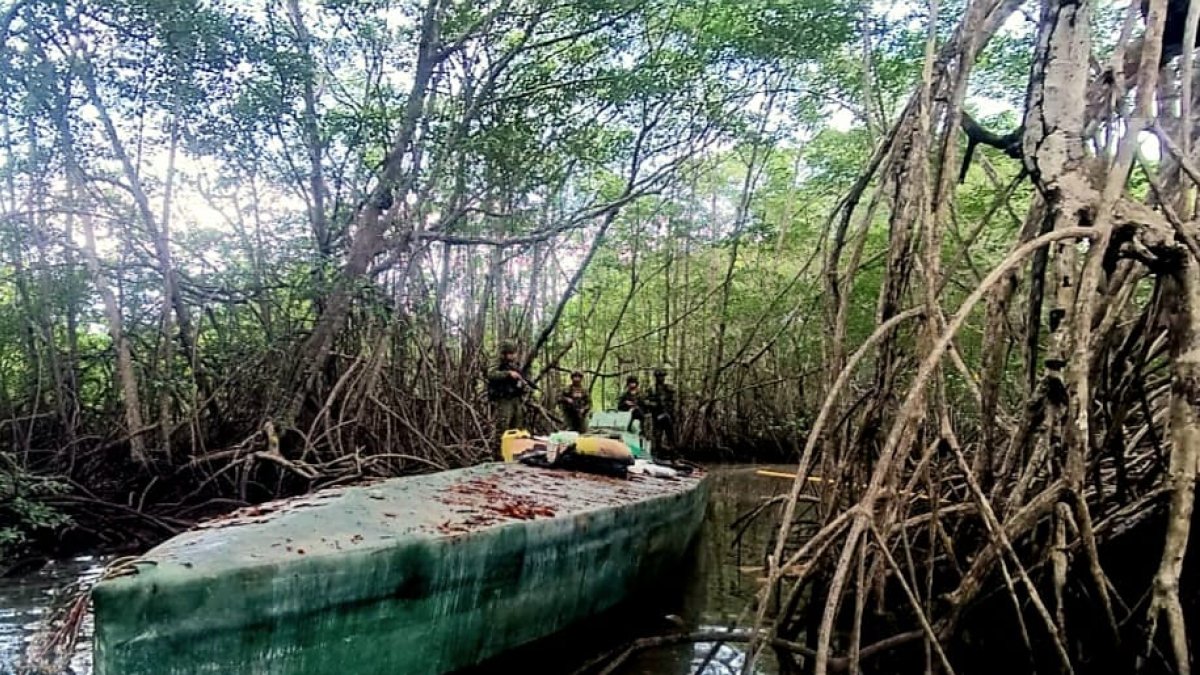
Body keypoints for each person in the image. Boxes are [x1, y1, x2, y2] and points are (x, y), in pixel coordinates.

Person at [487, 339, 528, 457]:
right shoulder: (497, 361)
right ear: (505, 353)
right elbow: (491, 374)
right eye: (512, 353)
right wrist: (508, 374)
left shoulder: (513, 364)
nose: (514, 355)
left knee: (518, 426)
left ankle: (515, 453)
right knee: (503, 426)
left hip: (515, 398)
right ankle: (498, 454)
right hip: (504, 399)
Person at [646, 367, 678, 457]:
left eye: (662, 376)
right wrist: (653, 404)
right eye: (659, 376)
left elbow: (673, 402)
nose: (661, 378)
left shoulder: (668, 389)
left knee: (671, 436)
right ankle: (658, 454)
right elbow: (646, 402)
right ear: (656, 377)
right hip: (657, 417)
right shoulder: (651, 390)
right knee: (657, 436)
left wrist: (670, 412)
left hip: (667, 416)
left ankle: (673, 454)